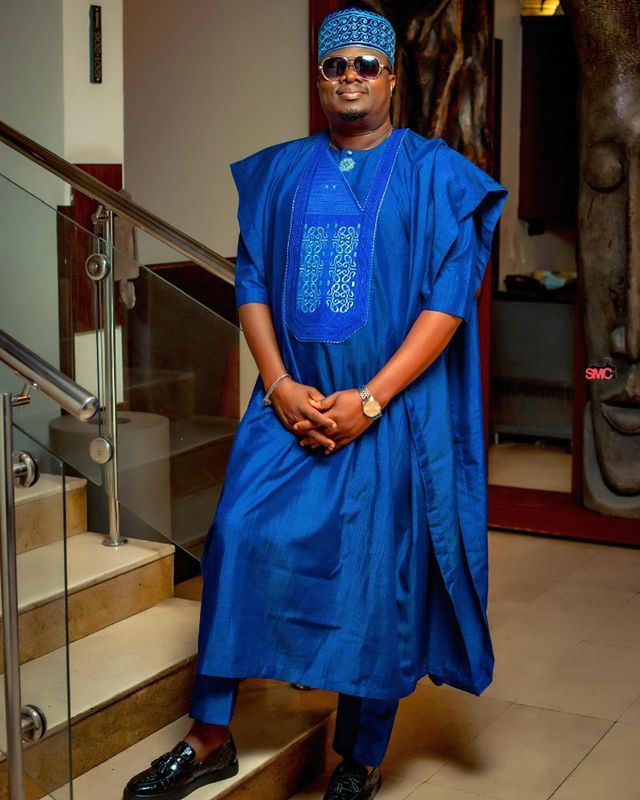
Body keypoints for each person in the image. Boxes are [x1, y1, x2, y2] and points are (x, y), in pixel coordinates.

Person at [123, 7, 507, 800]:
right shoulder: (280, 172)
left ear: (392, 78)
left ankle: (359, 757)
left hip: (386, 412)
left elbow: (447, 302)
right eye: (336, 65)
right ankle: (209, 736)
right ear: (321, 78)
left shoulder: (434, 173)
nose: (351, 77)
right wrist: (277, 384)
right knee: (237, 538)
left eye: (367, 64)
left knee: (375, 577)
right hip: (289, 405)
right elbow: (253, 279)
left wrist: (371, 399)